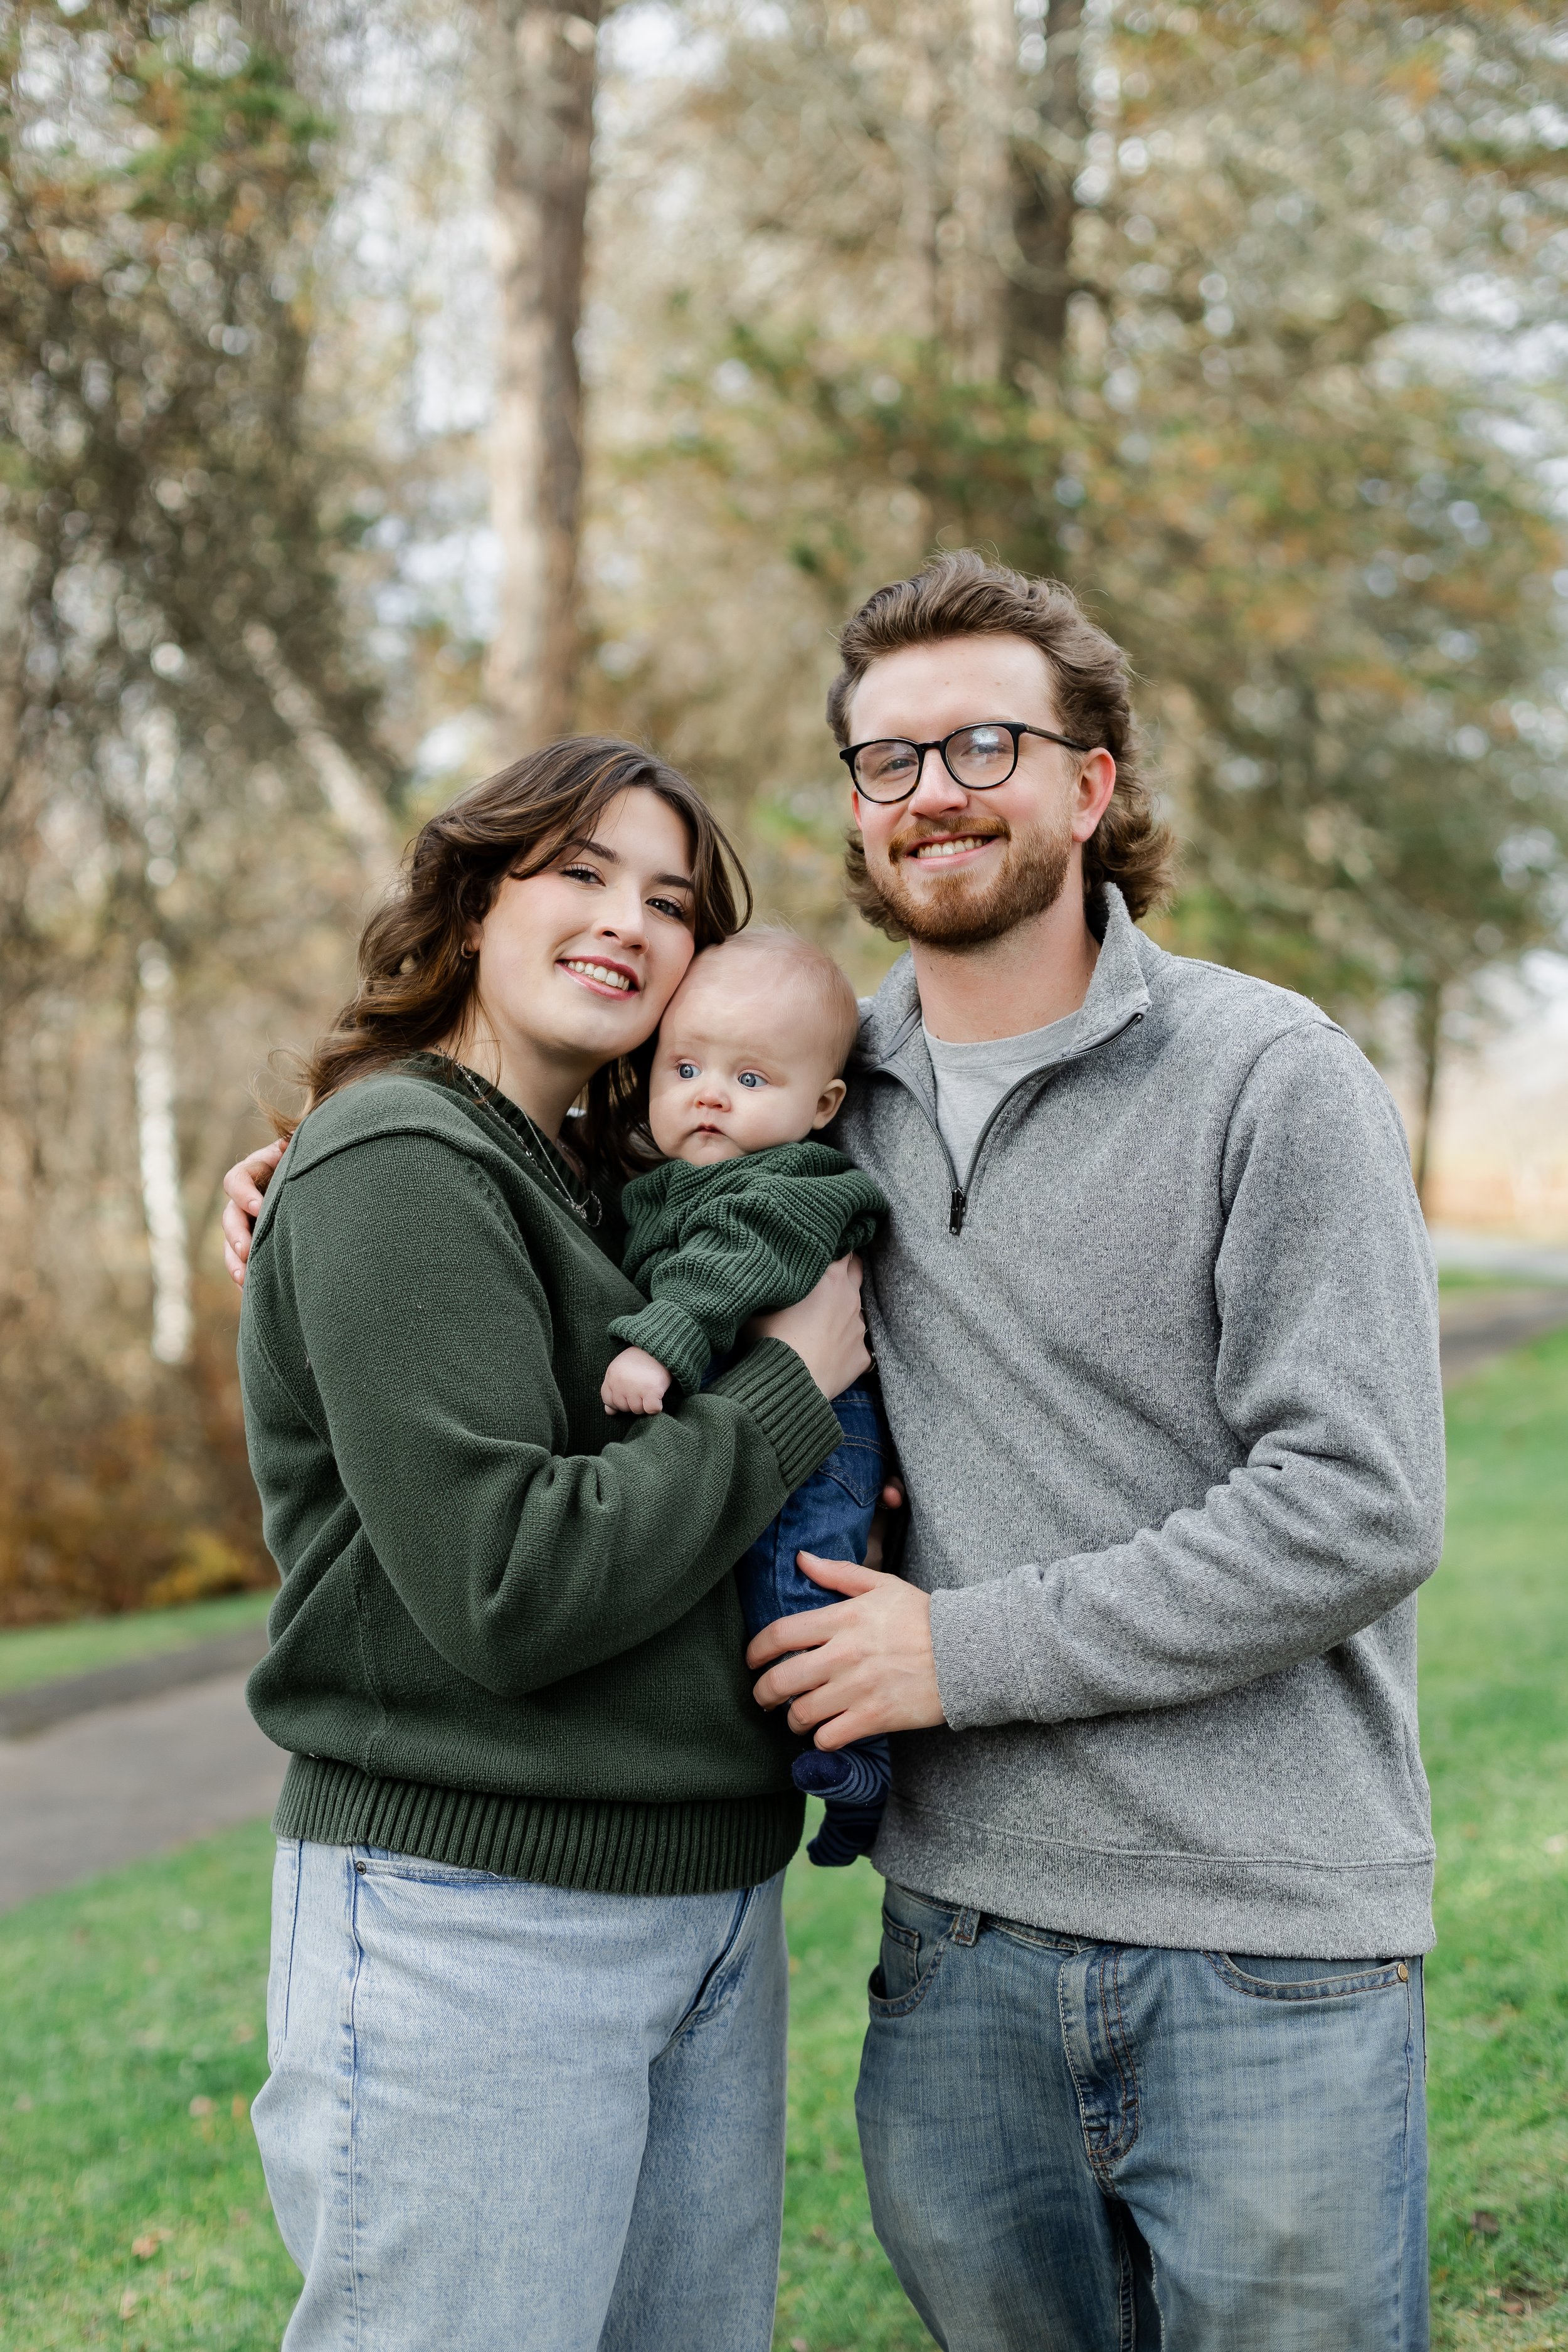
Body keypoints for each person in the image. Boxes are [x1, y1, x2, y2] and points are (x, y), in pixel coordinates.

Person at [745, 551, 1445, 2351]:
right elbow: (558, 1181)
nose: (930, 793)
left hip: (1264, 1944)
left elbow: (1355, 1507)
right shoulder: (817, 1098)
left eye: (982, 741)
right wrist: (318, 1173)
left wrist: (951, 1649)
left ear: (1089, 781)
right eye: (882, 759)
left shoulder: (1267, 1077)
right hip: (959, 1949)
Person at [230, 737, 868, 2352]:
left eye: (667, 899)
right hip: (476, 1916)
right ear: (467, 905)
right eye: (577, 873)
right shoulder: (397, 1161)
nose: (626, 921)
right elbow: (508, 1585)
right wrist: (792, 1390)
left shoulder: (606, 1185)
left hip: (699, 1900)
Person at [601, 926, 891, 1865]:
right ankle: (850, 1769)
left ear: (823, 1104)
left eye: (752, 1080)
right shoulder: (678, 1175)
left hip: (823, 1439)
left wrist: (661, 1345)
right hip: (772, 1415)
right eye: (685, 1067)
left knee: (794, 1603)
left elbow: (736, 1265)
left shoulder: (790, 1184)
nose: (711, 1094)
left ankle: (857, 1760)